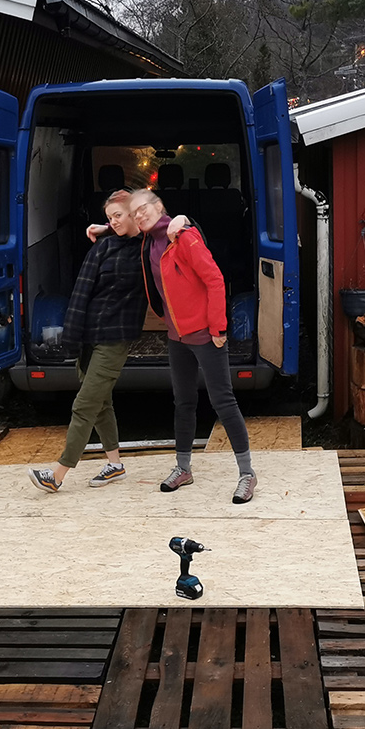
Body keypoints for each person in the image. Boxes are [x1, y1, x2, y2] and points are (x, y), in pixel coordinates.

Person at [129, 188, 257, 504]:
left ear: (159, 206)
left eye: (143, 208)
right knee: (183, 402)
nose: (139, 215)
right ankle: (183, 469)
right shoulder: (150, 240)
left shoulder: (183, 236)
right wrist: (99, 227)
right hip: (177, 336)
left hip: (204, 332)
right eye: (134, 213)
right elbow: (119, 223)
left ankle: (247, 474)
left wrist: (219, 327)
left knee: (222, 401)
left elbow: (214, 279)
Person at [27, 190, 147, 493]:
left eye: (118, 215)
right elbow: (82, 290)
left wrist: (112, 226)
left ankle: (58, 473)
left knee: (84, 405)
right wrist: (73, 334)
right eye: (108, 218)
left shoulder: (148, 247)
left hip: (115, 337)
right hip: (89, 333)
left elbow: (179, 229)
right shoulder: (104, 246)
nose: (112, 222)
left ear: (136, 213)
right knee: (101, 402)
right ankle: (115, 464)